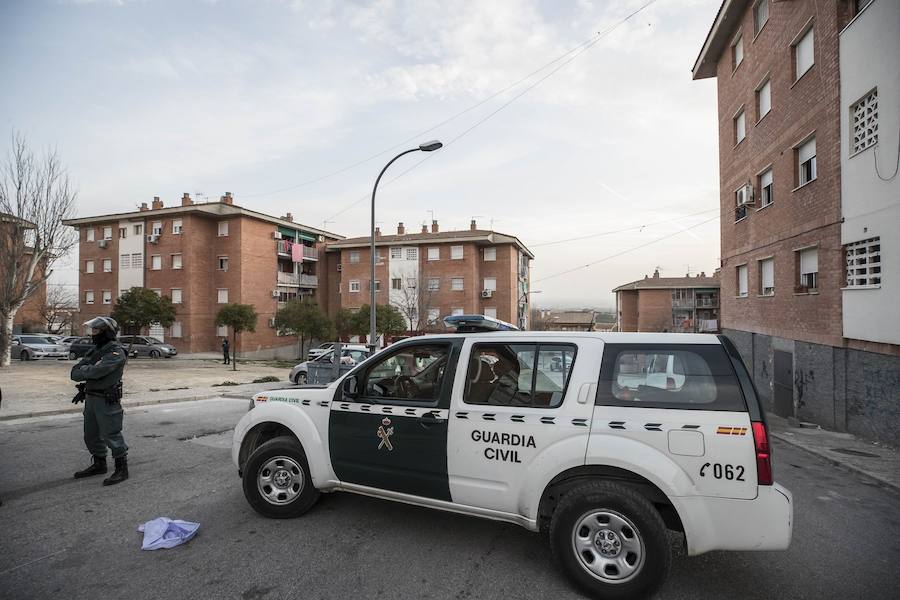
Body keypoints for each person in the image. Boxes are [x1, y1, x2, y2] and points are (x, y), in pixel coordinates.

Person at [70, 316, 129, 486]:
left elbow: (97, 371)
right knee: (91, 435)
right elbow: (74, 373)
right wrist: (89, 369)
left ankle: (121, 468)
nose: (93, 334)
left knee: (111, 434)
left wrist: (87, 370)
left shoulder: (115, 352)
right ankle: (99, 464)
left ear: (106, 332)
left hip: (106, 399)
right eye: (92, 330)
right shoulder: (96, 350)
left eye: (96, 331)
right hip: (91, 397)